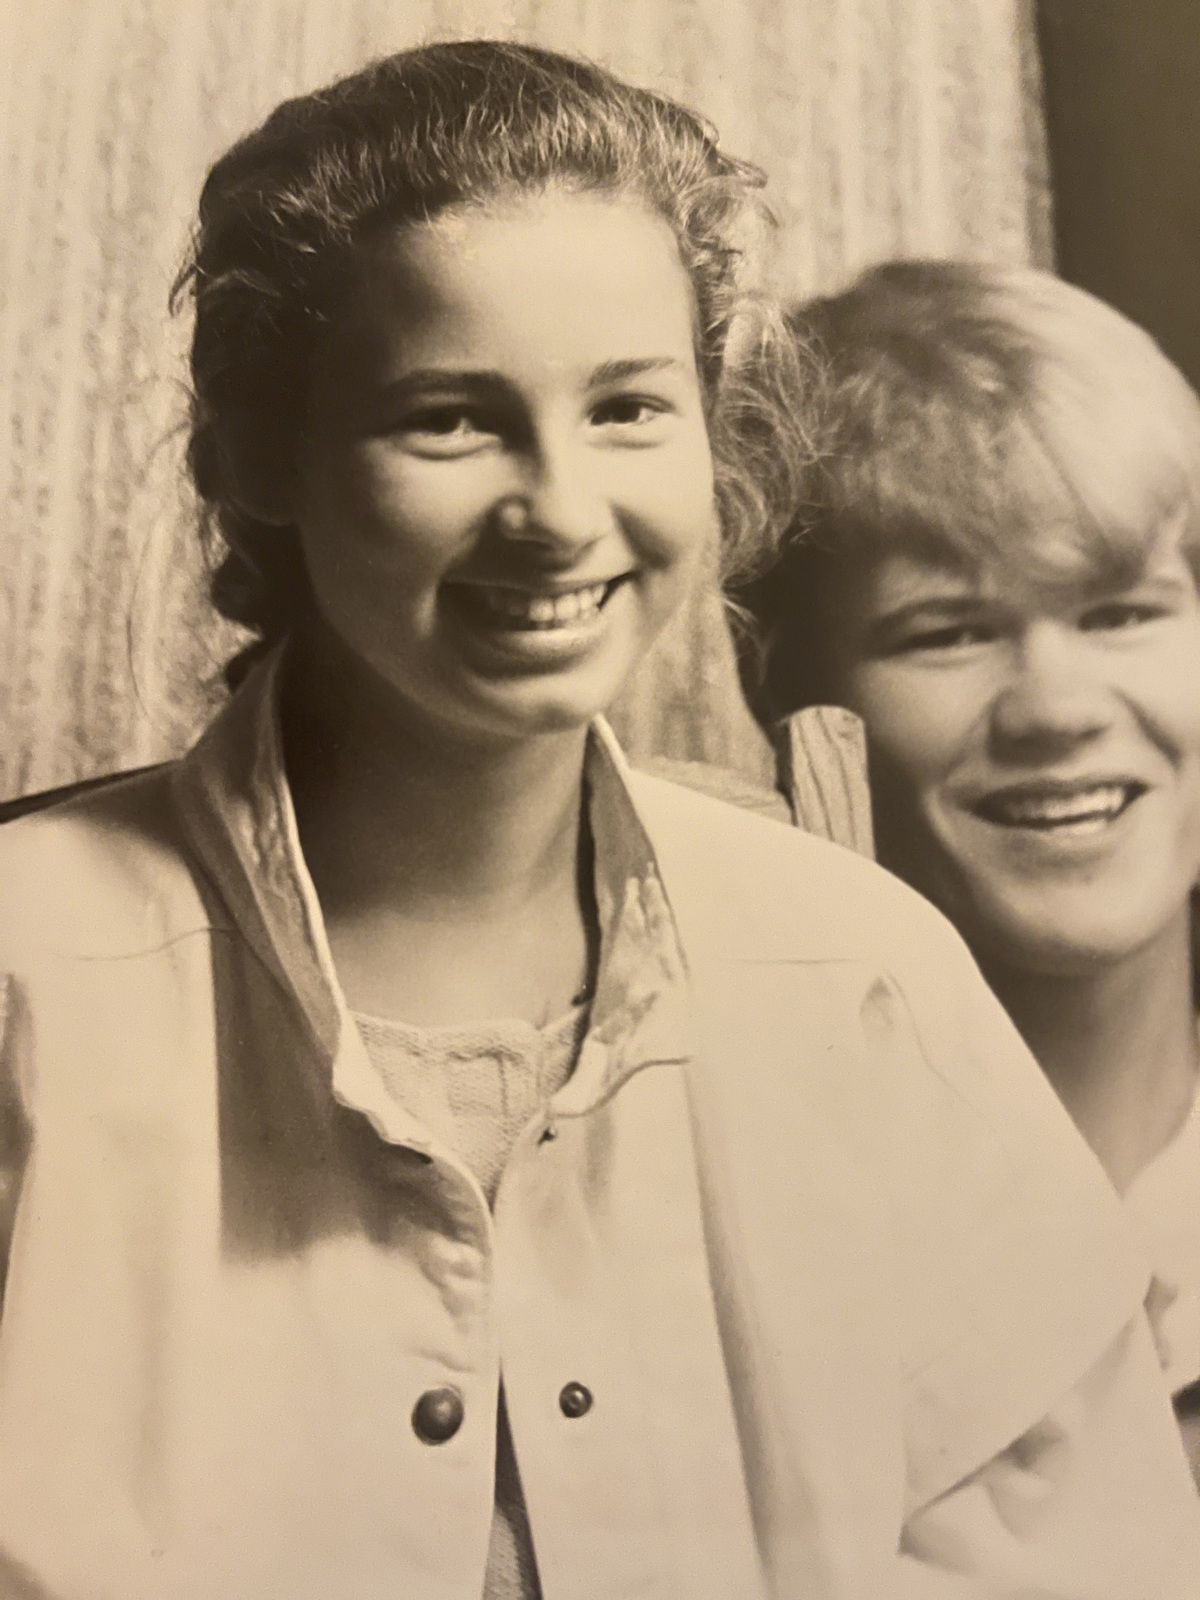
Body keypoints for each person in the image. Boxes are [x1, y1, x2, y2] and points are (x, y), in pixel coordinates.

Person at [0, 51, 1195, 1600]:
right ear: (260, 459)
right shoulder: (33, 979)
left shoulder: (863, 975)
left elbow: (1092, 1557)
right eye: (450, 420)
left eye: (629, 407)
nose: (559, 512)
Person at [740, 258, 1200, 1466]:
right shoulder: (745, 1248)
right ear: (780, 687)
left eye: (1121, 613)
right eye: (947, 631)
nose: (1057, 709)